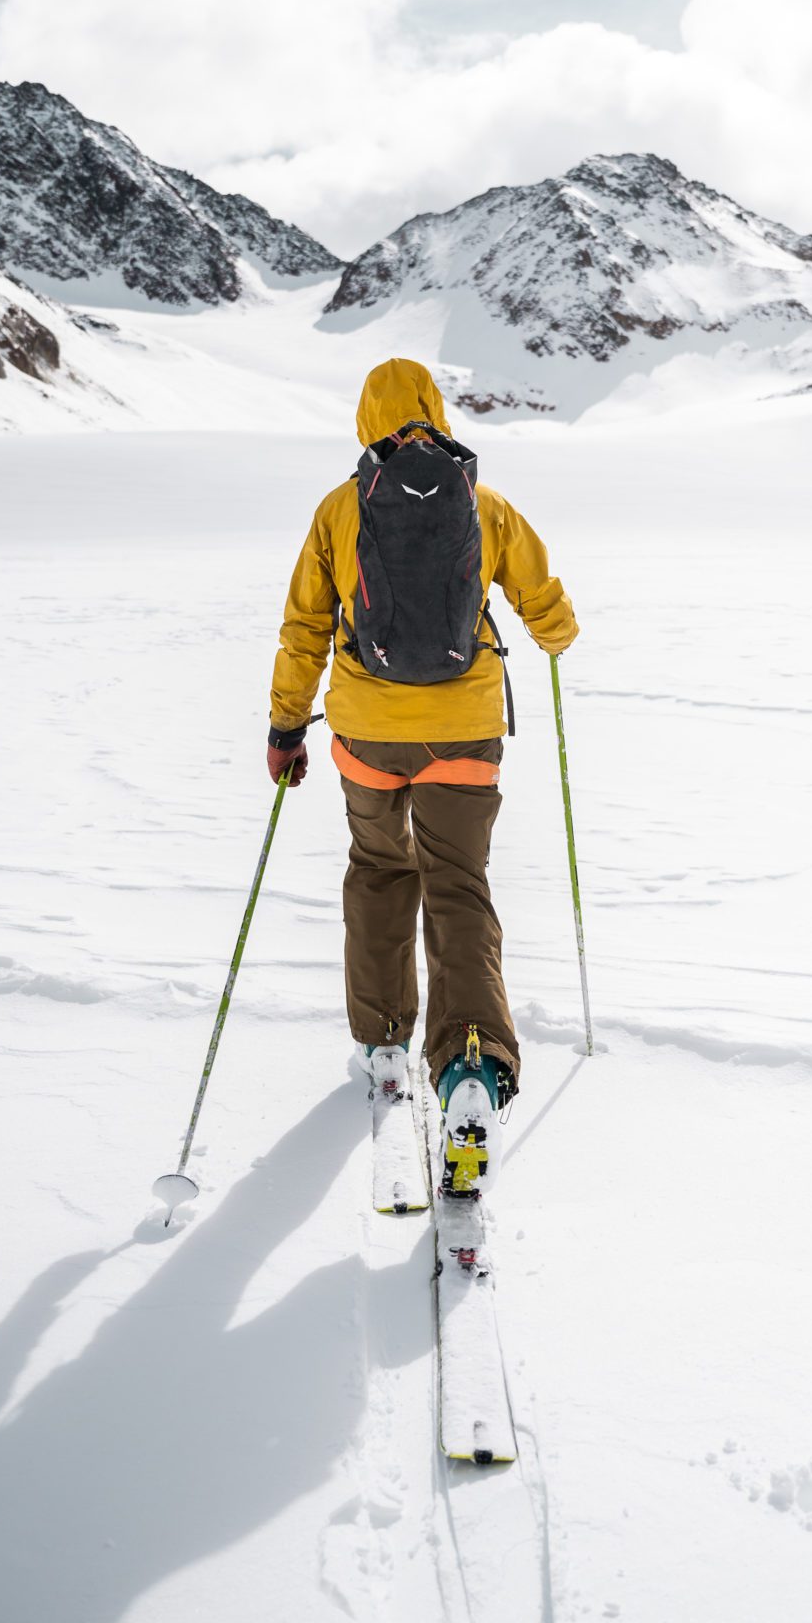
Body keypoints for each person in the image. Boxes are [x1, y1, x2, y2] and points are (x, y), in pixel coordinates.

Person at [266, 357, 578, 1192]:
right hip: (464, 731)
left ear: (366, 420)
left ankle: (380, 1043)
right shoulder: (482, 502)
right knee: (457, 885)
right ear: (435, 412)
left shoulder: (339, 509)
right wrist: (550, 633)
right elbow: (547, 605)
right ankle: (471, 1065)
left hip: (365, 736)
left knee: (379, 870)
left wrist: (285, 726)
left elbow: (303, 628)